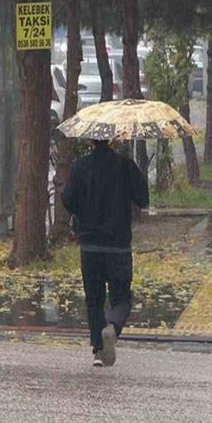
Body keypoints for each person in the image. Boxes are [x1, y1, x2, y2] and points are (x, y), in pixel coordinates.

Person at [61, 139, 149, 367]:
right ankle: (112, 325)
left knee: (94, 299)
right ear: (113, 141)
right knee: (122, 297)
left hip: (89, 246)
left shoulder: (80, 167)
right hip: (118, 245)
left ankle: (99, 351)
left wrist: (84, 211)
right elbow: (143, 199)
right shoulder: (125, 166)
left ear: (90, 140)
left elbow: (68, 200)